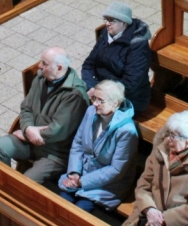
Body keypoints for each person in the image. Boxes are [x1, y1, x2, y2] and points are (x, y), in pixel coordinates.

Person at [0, 47, 89, 184]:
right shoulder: (40, 78)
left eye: (44, 63)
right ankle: (3, 187)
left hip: (55, 153)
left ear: (59, 68)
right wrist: (28, 128)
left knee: (27, 182)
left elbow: (57, 130)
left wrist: (26, 135)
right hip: (32, 141)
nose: (39, 66)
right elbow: (26, 108)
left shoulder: (74, 95)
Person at [121, 110, 188, 226]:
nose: (169, 139)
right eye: (169, 133)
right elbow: (144, 184)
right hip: (148, 212)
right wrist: (149, 209)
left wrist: (164, 219)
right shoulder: (161, 149)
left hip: (176, 225)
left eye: (174, 136)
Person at [57, 79, 139, 218]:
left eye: (100, 100)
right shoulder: (91, 111)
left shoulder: (127, 131)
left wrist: (82, 182)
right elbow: (78, 143)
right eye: (94, 98)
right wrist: (75, 172)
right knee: (60, 203)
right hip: (82, 172)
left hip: (107, 183)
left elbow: (116, 170)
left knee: (78, 213)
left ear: (115, 103)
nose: (95, 103)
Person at [81, 2, 152, 113]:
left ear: (124, 23)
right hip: (99, 90)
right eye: (106, 20)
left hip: (128, 97)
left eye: (112, 21)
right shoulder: (106, 34)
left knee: (94, 114)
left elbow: (130, 83)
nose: (107, 24)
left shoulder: (138, 45)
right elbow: (88, 65)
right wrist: (91, 87)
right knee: (74, 102)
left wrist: (99, 94)